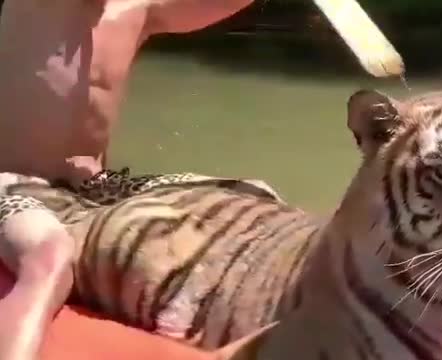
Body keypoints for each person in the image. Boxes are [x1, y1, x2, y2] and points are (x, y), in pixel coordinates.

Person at [0, 0, 257, 358]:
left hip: (98, 188)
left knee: (254, 193)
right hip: (14, 181)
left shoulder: (134, 11)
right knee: (49, 258)